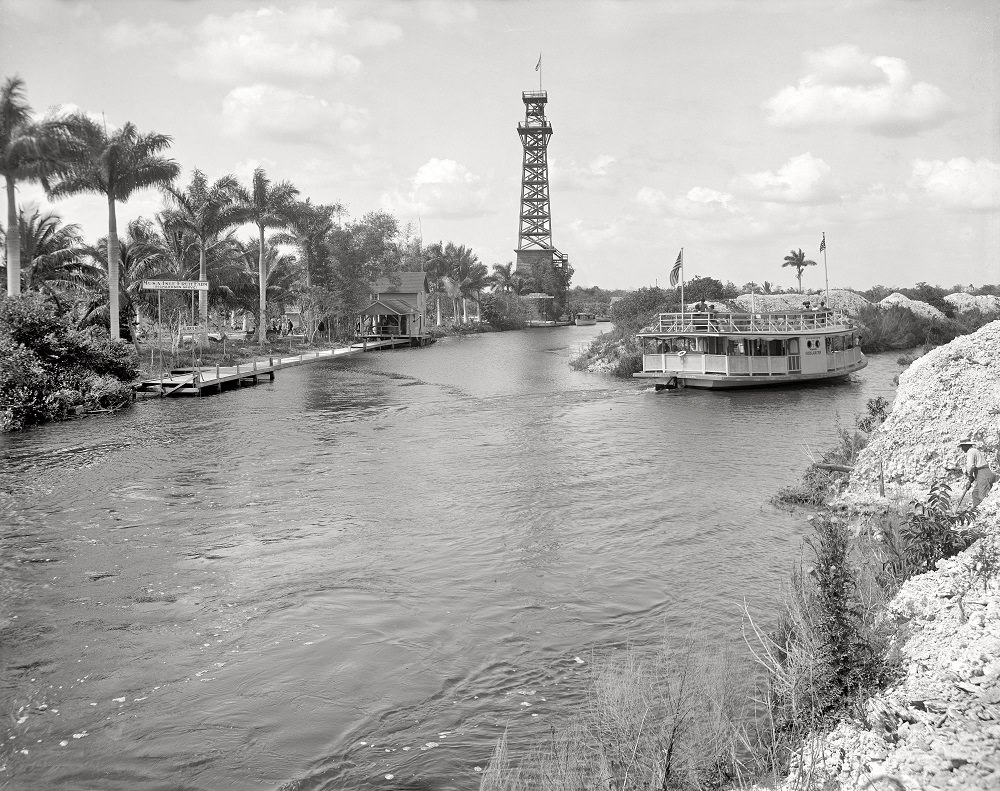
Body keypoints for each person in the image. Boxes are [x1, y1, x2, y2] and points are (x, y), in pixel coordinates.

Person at [958, 435, 997, 507]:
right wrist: (971, 477)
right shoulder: (975, 451)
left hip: (983, 474)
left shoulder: (970, 451)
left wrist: (970, 476)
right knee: (975, 494)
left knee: (982, 496)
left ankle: (982, 514)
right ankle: (976, 512)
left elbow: (970, 466)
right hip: (982, 474)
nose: (962, 449)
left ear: (966, 446)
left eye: (962, 447)